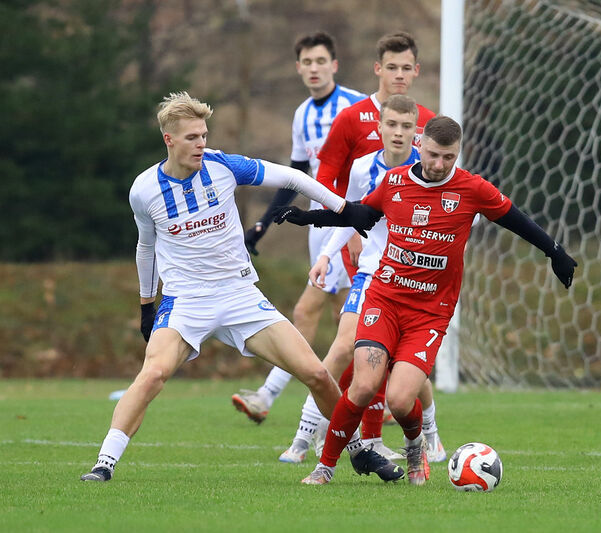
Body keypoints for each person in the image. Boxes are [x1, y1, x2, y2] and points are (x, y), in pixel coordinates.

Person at [80, 92, 390, 482]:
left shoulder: (224, 166)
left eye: (204, 135)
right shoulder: (144, 190)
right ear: (169, 140)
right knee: (153, 374)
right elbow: (146, 247)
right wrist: (147, 304)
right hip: (186, 301)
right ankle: (103, 465)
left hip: (240, 294)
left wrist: (344, 209)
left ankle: (358, 449)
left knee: (314, 373)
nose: (201, 144)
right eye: (192, 137)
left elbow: (293, 177)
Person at [274, 115, 578, 485]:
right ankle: (325, 467)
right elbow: (359, 214)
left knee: (400, 401)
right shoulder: (394, 183)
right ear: (419, 146)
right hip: (384, 299)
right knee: (364, 385)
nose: (439, 165)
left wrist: (555, 252)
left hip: (430, 313)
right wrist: (307, 218)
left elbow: (516, 220)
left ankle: (416, 444)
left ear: (458, 153)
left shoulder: (472, 189)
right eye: (433, 155)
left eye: (449, 157)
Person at [278, 95, 445, 465]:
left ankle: (431, 435)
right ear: (379, 127)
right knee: (340, 350)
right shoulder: (361, 168)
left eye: (406, 126)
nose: (399, 133)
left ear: (415, 131)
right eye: (392, 125)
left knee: (406, 366)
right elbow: (350, 215)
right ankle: (303, 437)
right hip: (372, 274)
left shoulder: (428, 167)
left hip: (415, 280)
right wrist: (324, 255)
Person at [232, 32, 366, 424]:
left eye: (320, 61)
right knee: (349, 317)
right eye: (306, 62)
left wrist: (358, 227)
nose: (313, 68)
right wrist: (261, 226)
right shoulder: (302, 114)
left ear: (334, 65)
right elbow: (296, 177)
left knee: (312, 309)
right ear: (298, 68)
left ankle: (271, 396)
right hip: (320, 225)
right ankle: (365, 403)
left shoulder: (355, 105)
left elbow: (368, 173)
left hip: (349, 224)